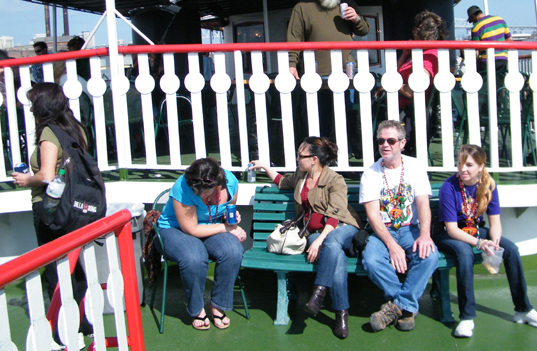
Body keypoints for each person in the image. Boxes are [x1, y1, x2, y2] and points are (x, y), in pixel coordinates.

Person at [435, 144, 537, 338]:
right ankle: (467, 317)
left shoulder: (488, 185)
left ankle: (523, 309)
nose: (463, 169)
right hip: (449, 233)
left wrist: (494, 243)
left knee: (511, 249)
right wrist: (481, 244)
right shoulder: (449, 186)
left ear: (481, 166)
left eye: (469, 165)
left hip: (474, 230)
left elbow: (495, 222)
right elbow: (452, 229)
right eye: (460, 164)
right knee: (464, 254)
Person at [252, 136, 363, 339]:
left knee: (331, 243)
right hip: (313, 234)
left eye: (300, 155)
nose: (297, 159)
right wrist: (264, 166)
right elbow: (282, 182)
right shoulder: (301, 176)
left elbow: (336, 214)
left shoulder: (334, 180)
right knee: (336, 259)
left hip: (341, 227)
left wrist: (320, 240)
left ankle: (318, 294)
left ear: (314, 159)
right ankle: (341, 314)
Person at [11, 82, 92, 344]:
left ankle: (63, 332)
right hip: (76, 206)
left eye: (33, 104)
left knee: (54, 270)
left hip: (51, 207)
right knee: (74, 267)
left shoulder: (49, 132)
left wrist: (25, 179)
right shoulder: (76, 128)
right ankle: (82, 323)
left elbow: (46, 175)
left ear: (41, 107)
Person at [359, 120, 438, 332]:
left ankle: (396, 307)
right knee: (372, 260)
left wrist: (424, 234)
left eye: (391, 140)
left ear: (402, 143)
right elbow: (373, 216)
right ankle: (407, 308)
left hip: (409, 228)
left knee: (429, 255)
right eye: (381, 141)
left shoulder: (415, 167)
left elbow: (423, 204)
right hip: (383, 230)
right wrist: (392, 246)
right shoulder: (370, 174)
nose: (385, 145)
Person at [154, 157, 246, 330]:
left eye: (204, 191)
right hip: (175, 230)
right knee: (194, 257)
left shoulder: (231, 182)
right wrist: (226, 228)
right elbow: (192, 229)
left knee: (233, 251)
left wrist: (230, 218)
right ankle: (197, 309)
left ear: (217, 184)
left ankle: (218, 305)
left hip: (212, 227)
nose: (198, 193)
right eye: (196, 190)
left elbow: (228, 209)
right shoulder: (183, 187)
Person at [287, 0, 369, 146]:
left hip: (346, 74)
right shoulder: (303, 7)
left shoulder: (347, 3)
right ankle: (323, 158)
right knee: (320, 120)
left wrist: (356, 19)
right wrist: (292, 65)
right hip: (317, 75)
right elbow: (294, 39)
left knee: (346, 119)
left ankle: (344, 156)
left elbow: (364, 30)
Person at [392, 10, 447, 153]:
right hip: (395, 103)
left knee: (357, 116)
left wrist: (393, 85)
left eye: (415, 30)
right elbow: (394, 74)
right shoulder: (417, 54)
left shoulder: (429, 56)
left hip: (404, 109)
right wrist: (404, 54)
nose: (412, 33)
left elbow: (412, 90)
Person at [466, 5, 512, 91]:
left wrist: (475, 67)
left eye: (472, 21)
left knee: (484, 88)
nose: (473, 23)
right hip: (503, 59)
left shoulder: (476, 27)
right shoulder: (500, 20)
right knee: (499, 86)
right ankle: (499, 102)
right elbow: (509, 40)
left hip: (486, 61)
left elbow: (476, 50)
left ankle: (485, 104)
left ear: (473, 16)